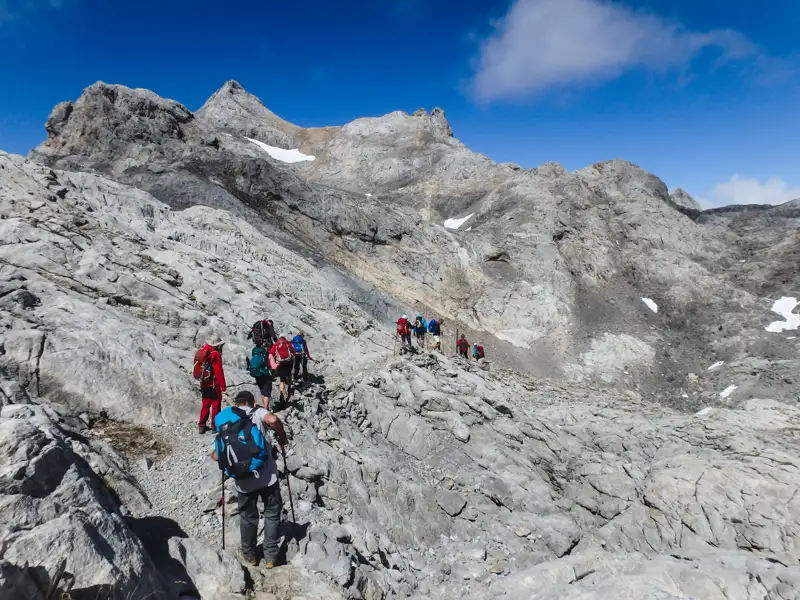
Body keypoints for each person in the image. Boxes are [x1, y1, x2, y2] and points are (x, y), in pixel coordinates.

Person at [211, 391, 287, 568]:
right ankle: (270, 556)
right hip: (267, 476)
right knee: (272, 513)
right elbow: (274, 420)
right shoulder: (257, 412)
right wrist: (281, 436)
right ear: (253, 403)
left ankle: (250, 555)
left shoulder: (226, 422)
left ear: (236, 404)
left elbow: (215, 456)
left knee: (247, 517)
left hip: (243, 480)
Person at [193, 336, 227, 434]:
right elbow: (219, 371)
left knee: (205, 405)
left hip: (204, 383)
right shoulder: (215, 354)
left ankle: (201, 425)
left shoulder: (202, 351)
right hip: (213, 384)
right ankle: (214, 426)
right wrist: (223, 386)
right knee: (216, 405)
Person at [269, 334, 297, 403]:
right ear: (284, 338)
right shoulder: (288, 342)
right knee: (289, 375)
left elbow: (271, 353)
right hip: (289, 363)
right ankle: (289, 389)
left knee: (282, 380)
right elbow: (294, 352)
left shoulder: (276, 344)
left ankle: (281, 392)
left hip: (281, 363)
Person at [249, 344, 274, 409]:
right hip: (265, 374)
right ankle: (266, 409)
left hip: (257, 374)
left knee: (262, 391)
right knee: (267, 393)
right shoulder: (267, 355)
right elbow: (273, 366)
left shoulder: (255, 353)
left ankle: (265, 407)